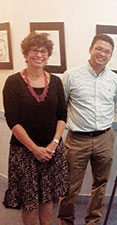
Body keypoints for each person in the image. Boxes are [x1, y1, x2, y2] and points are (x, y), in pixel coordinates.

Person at [2, 32, 69, 225]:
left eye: (43, 51)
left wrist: (54, 144)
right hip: (24, 152)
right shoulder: (13, 82)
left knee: (47, 196)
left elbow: (62, 115)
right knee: (29, 200)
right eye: (34, 50)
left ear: (48, 55)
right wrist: (34, 149)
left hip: (51, 151)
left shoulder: (56, 82)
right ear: (26, 53)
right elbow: (13, 120)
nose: (39, 55)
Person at [58, 34, 117, 225]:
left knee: (100, 185)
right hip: (77, 139)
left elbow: (115, 107)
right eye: (99, 49)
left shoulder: (114, 79)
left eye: (107, 51)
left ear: (111, 56)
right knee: (69, 187)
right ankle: (65, 221)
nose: (102, 54)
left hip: (104, 138)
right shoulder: (71, 75)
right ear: (90, 49)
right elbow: (62, 106)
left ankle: (93, 221)